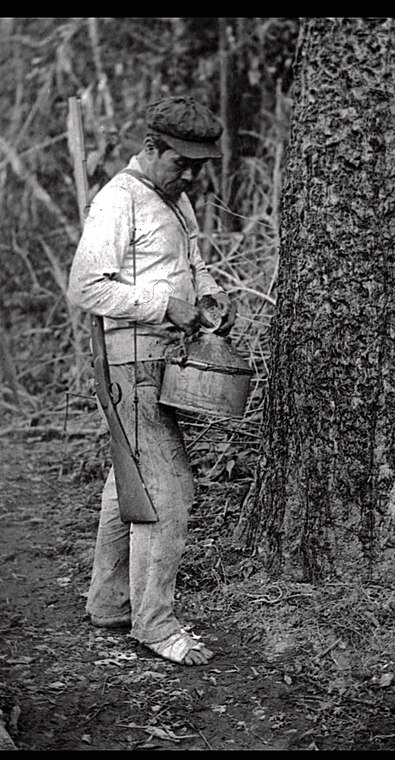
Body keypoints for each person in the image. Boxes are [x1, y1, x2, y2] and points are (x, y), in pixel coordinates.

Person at [67, 95, 236, 665]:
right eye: (180, 162)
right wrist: (165, 305)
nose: (190, 175)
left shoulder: (175, 200)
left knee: (131, 482)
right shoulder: (118, 200)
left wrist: (207, 295)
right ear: (150, 148)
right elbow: (87, 289)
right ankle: (155, 624)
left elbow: (191, 263)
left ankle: (110, 602)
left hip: (165, 361)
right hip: (131, 361)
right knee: (170, 491)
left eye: (199, 165)